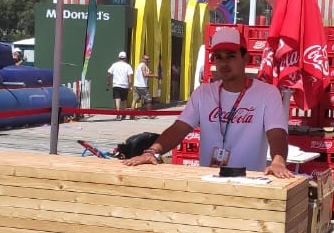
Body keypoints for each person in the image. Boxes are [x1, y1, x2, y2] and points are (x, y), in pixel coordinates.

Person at [123, 26, 293, 177]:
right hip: (210, 180)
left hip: (250, 182)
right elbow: (179, 128)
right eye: (218, 57)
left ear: (246, 58)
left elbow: (277, 134)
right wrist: (152, 152)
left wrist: (278, 161)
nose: (224, 63)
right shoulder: (203, 93)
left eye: (231, 56)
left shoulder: (267, 94)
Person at [106, 51, 134, 119]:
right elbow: (130, 78)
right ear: (125, 58)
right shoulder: (128, 66)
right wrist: (130, 86)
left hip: (116, 84)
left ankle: (118, 114)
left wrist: (109, 82)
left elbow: (109, 73)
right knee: (124, 100)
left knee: (117, 99)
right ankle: (124, 114)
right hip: (125, 85)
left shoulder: (114, 65)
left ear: (119, 57)